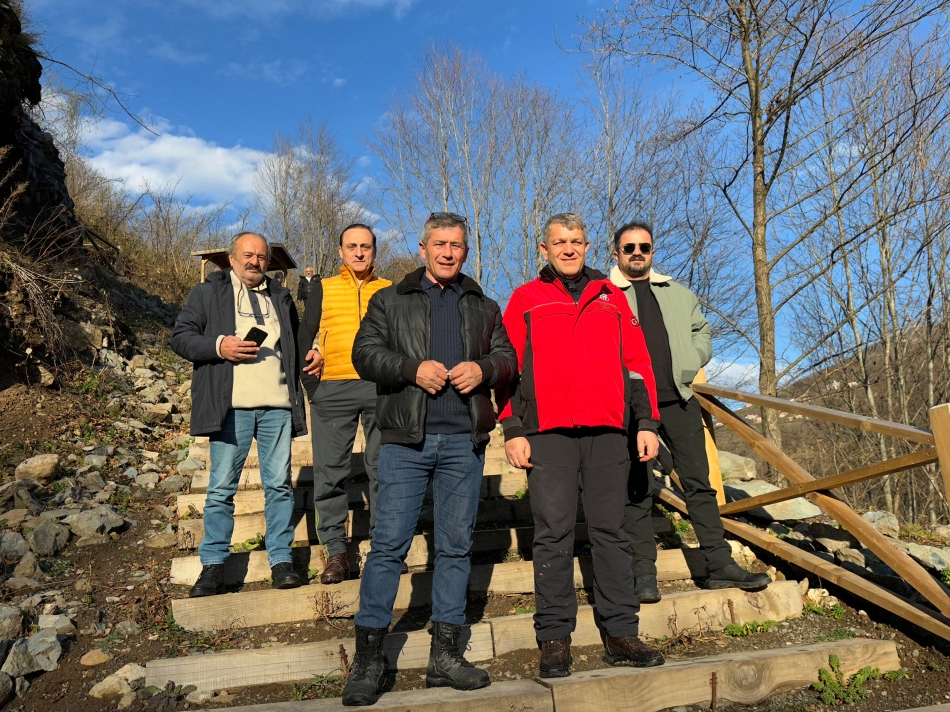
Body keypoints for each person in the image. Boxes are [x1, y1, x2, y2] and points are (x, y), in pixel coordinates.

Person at [341, 212, 517, 707]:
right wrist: (410, 368)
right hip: (405, 442)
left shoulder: (484, 305)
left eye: (456, 245)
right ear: (423, 248)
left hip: (463, 443)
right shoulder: (390, 299)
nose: (447, 252)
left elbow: (509, 359)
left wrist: (483, 369)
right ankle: (369, 660)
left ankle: (445, 656)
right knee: (387, 547)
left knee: (456, 549)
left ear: (466, 252)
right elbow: (364, 353)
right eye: (439, 244)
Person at [500, 212, 664, 679]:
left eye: (576, 241)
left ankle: (621, 633)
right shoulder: (526, 299)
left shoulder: (612, 297)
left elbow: (637, 364)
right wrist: (512, 428)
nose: (568, 249)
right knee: (552, 534)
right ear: (545, 249)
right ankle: (554, 638)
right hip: (548, 433)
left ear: (588, 247)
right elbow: (508, 368)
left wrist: (646, 422)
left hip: (607, 431)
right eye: (559, 242)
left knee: (611, 532)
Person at [611, 220, 772, 602]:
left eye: (644, 247)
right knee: (636, 489)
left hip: (679, 399)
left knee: (700, 484)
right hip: (631, 406)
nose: (637, 253)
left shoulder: (679, 294)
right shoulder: (604, 294)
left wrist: (690, 361)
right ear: (616, 254)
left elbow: (703, 332)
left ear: (652, 252)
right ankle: (643, 575)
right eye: (629, 248)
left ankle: (719, 565)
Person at [170, 231, 307, 597]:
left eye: (261, 257)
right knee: (220, 489)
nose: (254, 262)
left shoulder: (281, 297)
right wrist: (219, 346)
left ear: (268, 262)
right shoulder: (207, 293)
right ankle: (213, 565)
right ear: (231, 259)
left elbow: (295, 345)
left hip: (277, 407)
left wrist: (312, 355)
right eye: (247, 255)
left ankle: (281, 561)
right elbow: (180, 338)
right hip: (230, 407)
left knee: (279, 487)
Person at [298, 224, 391, 584]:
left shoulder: (390, 290)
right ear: (340, 251)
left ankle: (384, 550)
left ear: (374, 251)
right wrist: (313, 388)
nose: (359, 252)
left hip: (381, 388)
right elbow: (305, 335)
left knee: (384, 469)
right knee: (330, 472)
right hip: (333, 388)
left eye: (365, 246)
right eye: (352, 246)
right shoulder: (323, 288)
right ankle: (336, 552)